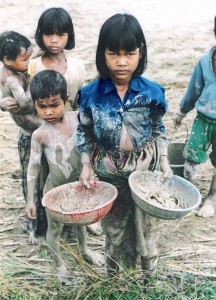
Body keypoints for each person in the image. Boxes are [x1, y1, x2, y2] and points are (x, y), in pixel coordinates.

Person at [76, 13, 172, 278]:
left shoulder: (151, 92)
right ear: (102, 54)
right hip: (109, 172)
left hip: (144, 172)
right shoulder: (90, 95)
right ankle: (117, 278)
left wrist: (163, 159)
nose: (121, 62)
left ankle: (148, 277)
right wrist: (86, 165)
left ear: (140, 53)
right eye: (113, 53)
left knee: (145, 228)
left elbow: (158, 127)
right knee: (116, 229)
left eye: (129, 53)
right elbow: (84, 132)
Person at [24, 70, 104, 284]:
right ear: (34, 105)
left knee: (80, 221)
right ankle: (59, 264)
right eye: (42, 106)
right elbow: (33, 168)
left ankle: (85, 250)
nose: (48, 112)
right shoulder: (40, 134)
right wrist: (31, 199)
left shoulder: (80, 119)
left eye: (54, 104)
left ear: (66, 100)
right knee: (55, 229)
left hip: (80, 187)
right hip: (55, 191)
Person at [29, 7, 102, 235]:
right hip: (42, 129)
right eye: (48, 34)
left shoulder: (77, 67)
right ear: (40, 34)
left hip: (71, 128)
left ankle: (85, 216)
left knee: (79, 169)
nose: (54, 40)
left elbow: (80, 101)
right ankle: (48, 219)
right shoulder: (34, 65)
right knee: (47, 175)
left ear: (69, 36)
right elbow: (30, 101)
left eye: (60, 34)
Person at [0, 31, 46, 241]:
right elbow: (26, 104)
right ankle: (34, 225)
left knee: (45, 175)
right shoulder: (10, 79)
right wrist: (33, 76)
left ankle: (45, 217)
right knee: (32, 178)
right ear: (8, 60)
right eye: (25, 59)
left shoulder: (15, 68)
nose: (29, 61)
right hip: (30, 130)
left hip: (36, 127)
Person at [173, 16, 216, 218]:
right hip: (203, 120)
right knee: (190, 161)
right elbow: (194, 90)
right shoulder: (204, 62)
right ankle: (191, 194)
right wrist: (182, 112)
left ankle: (211, 199)